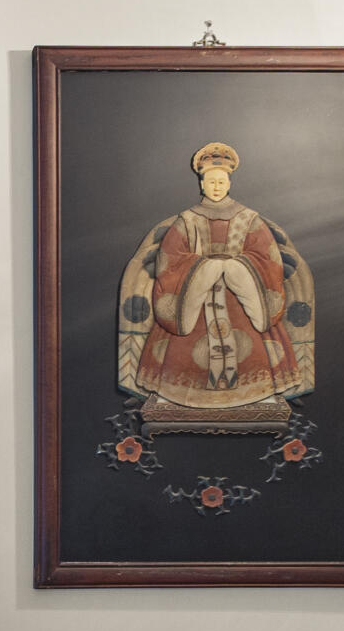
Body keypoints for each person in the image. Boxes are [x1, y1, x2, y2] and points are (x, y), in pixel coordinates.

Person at [117, 141, 316, 431]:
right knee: (178, 362)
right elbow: (170, 262)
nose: (217, 186)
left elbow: (267, 259)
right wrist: (206, 268)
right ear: (201, 183)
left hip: (242, 301)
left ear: (230, 182)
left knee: (258, 357)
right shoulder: (186, 221)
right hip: (191, 303)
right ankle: (181, 398)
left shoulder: (250, 220)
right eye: (211, 181)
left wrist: (236, 268)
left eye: (221, 181)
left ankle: (253, 398)